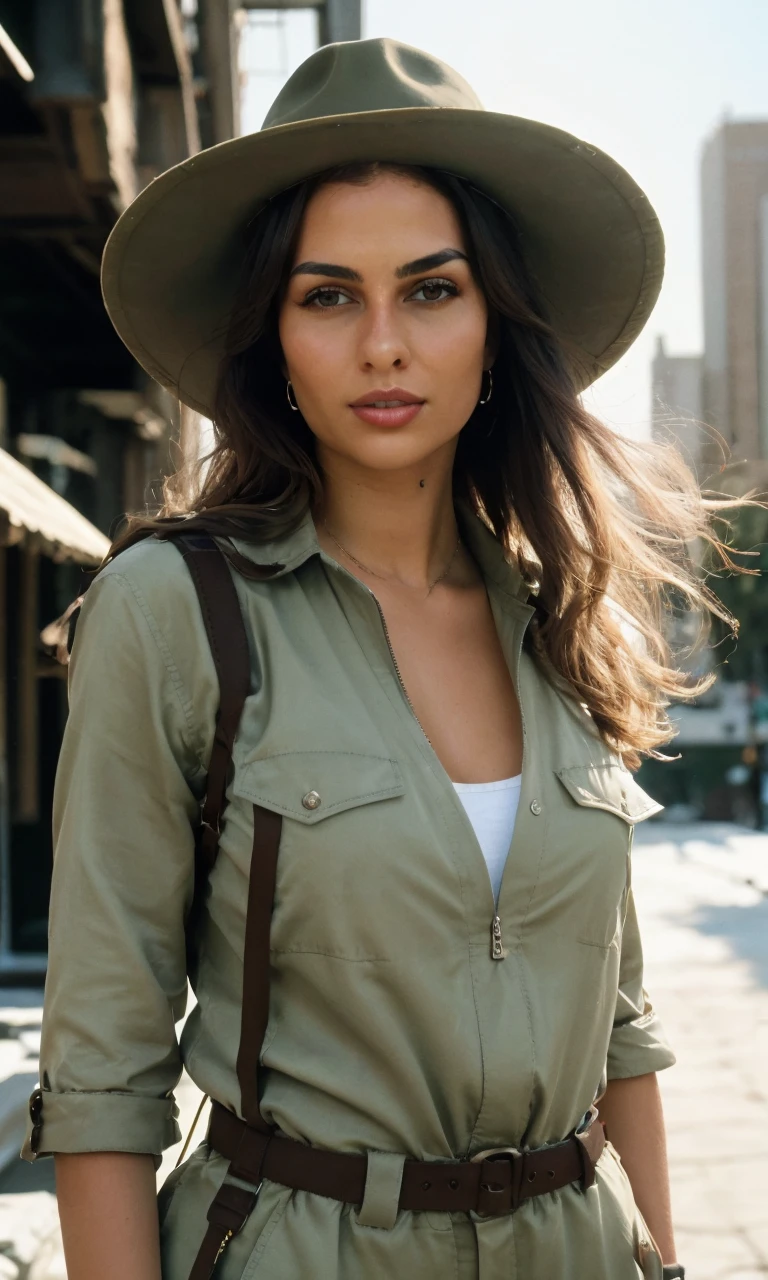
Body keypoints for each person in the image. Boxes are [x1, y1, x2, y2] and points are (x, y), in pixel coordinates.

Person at [24, 34, 738, 1280]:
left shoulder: (563, 616)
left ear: (495, 324)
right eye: (328, 294)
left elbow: (621, 1034)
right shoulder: (173, 612)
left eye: (432, 287)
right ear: (274, 340)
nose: (385, 344)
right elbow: (101, 1070)